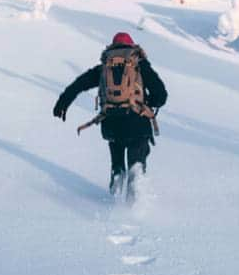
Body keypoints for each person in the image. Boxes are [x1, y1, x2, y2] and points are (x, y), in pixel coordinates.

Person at [53, 32, 168, 199]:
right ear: (133, 47)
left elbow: (79, 84)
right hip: (137, 123)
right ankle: (135, 181)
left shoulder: (104, 66)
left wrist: (63, 102)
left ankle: (117, 182)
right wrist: (147, 104)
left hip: (112, 126)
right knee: (137, 157)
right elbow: (161, 95)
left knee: (117, 158)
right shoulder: (140, 65)